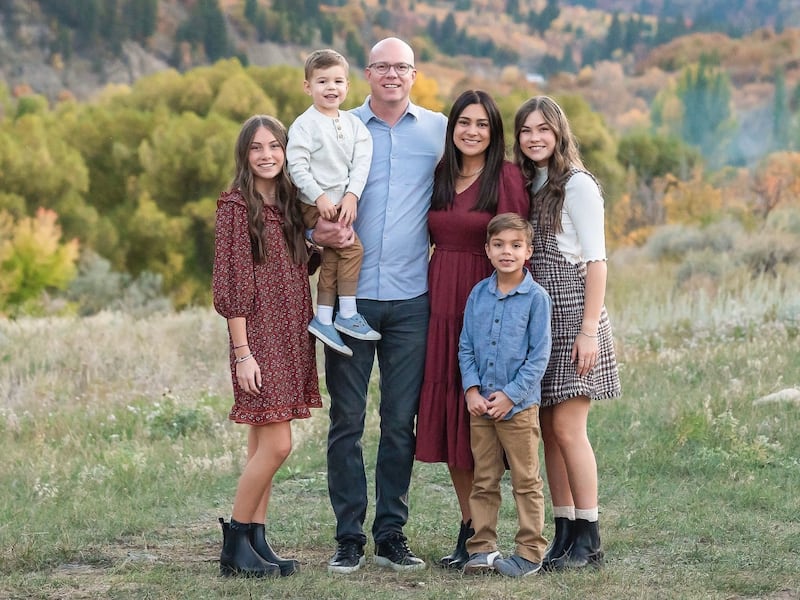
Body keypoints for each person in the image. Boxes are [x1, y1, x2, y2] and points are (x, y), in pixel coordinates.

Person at [310, 37, 448, 574]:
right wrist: (310, 227)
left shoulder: (437, 129)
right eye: (382, 66)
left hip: (413, 301)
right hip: (351, 300)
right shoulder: (337, 127)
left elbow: (475, 175)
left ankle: (391, 532)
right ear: (368, 73)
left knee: (399, 423)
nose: (392, 74)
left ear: (415, 73)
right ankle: (348, 536)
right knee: (345, 420)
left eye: (402, 67)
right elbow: (306, 191)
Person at [414, 89, 530, 570]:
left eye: (482, 124)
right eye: (465, 122)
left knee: (490, 418)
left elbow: (522, 247)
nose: (472, 131)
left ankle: (503, 531)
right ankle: (471, 528)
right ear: (453, 127)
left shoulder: (506, 177)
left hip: (488, 303)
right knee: (453, 415)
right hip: (440, 301)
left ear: (494, 130)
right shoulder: (440, 174)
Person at [513, 95, 622, 570]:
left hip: (577, 309)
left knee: (567, 426)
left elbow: (596, 263)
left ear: (559, 134)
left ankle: (590, 537)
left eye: (543, 130)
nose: (534, 138)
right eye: (526, 131)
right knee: (547, 430)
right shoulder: (532, 182)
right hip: (541, 314)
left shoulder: (578, 185)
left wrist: (588, 332)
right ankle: (564, 531)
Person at [212, 115, 322, 577]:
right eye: (256, 148)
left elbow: (299, 265)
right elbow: (232, 283)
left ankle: (257, 544)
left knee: (261, 445)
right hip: (258, 335)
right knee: (278, 445)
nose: (266, 155)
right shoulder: (236, 206)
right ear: (245, 154)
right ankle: (235, 543)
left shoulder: (292, 204)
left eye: (274, 146)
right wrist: (242, 353)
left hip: (292, 331)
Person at [458, 213, 552, 577]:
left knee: (526, 481)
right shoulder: (478, 294)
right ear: (487, 250)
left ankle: (530, 552)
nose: (506, 252)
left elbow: (538, 355)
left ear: (528, 251)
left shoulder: (536, 299)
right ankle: (482, 549)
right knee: (484, 479)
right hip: (480, 407)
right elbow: (466, 345)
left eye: (515, 245)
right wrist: (471, 390)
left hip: (519, 409)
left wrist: (511, 396)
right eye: (498, 245)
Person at [287, 48, 379, 357]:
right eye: (322, 81)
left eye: (338, 81)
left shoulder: (354, 126)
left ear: (348, 87)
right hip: (315, 204)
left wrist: (352, 195)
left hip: (341, 204)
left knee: (334, 257)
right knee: (353, 249)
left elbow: (361, 164)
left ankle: (324, 318)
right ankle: (348, 314)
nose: (331, 88)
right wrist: (319, 196)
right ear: (307, 86)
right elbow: (297, 165)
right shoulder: (305, 124)